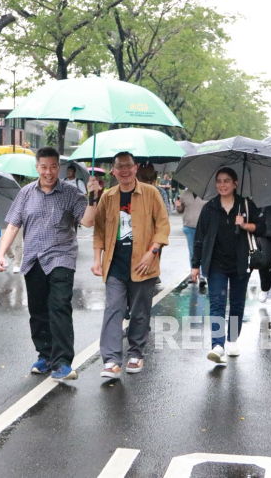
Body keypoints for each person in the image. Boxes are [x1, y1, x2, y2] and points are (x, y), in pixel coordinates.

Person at [0, 147, 100, 381]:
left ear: (58, 167)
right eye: (44, 167)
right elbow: (13, 225)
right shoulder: (25, 194)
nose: (49, 172)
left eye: (53, 167)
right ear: (37, 168)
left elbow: (88, 221)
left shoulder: (71, 194)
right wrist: (1, 254)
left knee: (60, 306)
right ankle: (44, 355)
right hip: (33, 258)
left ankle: (62, 362)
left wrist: (93, 196)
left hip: (61, 257)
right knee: (38, 309)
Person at [92, 152, 170, 378]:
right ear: (113, 171)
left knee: (139, 312)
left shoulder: (151, 193)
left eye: (128, 166)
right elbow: (99, 231)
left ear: (135, 168)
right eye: (119, 166)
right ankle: (111, 360)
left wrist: (152, 253)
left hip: (143, 264)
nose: (124, 170)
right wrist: (97, 259)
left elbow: (163, 227)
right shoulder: (107, 197)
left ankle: (135, 353)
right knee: (113, 309)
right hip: (115, 264)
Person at [191, 167, 265, 363]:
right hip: (216, 264)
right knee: (216, 303)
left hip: (241, 263)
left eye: (226, 181)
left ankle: (232, 339)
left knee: (237, 303)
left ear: (235, 183)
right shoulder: (210, 207)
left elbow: (262, 227)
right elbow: (200, 237)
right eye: (219, 181)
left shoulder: (246, 205)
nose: (222, 185)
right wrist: (195, 265)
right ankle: (217, 344)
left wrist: (244, 225)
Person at [175, 188, 208, 288]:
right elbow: (180, 210)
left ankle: (202, 275)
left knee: (202, 250)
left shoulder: (206, 193)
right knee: (192, 251)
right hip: (189, 226)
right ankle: (194, 274)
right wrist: (178, 206)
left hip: (204, 227)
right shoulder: (184, 194)